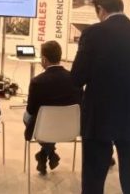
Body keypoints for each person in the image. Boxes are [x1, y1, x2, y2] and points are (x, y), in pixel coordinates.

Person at [71, 0, 130, 194]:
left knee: (93, 179)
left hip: (99, 117)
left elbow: (77, 78)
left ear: (100, 9)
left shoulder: (92, 34)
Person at [24, 40, 81, 175]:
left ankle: (48, 153)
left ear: (44, 59)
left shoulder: (37, 81)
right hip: (71, 128)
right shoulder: (75, 79)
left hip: (45, 128)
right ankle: (46, 154)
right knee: (52, 120)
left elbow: (31, 110)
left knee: (27, 117)